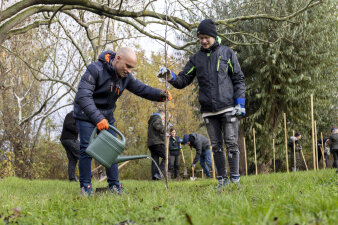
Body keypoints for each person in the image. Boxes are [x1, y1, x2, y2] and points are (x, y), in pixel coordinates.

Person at [158, 19, 245, 188]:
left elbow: (239, 79)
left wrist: (240, 102)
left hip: (228, 107)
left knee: (232, 143)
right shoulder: (196, 59)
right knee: (217, 147)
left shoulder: (227, 53)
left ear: (213, 35)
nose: (203, 41)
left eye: (206, 37)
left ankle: (235, 180)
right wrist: (170, 76)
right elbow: (183, 80)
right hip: (208, 111)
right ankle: (222, 181)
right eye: (200, 38)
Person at [73, 47, 172, 195]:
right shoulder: (95, 69)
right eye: (128, 66)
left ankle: (114, 186)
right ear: (117, 59)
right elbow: (83, 95)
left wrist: (160, 95)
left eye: (132, 68)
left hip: (106, 117)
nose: (129, 71)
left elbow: (142, 89)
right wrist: (97, 118)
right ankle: (86, 187)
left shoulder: (125, 77)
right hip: (86, 114)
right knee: (87, 148)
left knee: (112, 150)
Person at [60, 111, 80, 182]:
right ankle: (84, 177)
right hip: (70, 139)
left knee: (72, 159)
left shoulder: (75, 115)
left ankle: (72, 179)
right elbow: (68, 124)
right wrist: (79, 129)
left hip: (65, 139)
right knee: (82, 155)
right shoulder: (72, 114)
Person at [147, 110, 166, 180]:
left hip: (151, 143)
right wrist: (164, 130)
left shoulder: (152, 119)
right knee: (167, 157)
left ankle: (154, 177)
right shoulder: (157, 118)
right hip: (157, 142)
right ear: (162, 114)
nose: (163, 119)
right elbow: (158, 126)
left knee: (155, 160)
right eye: (164, 117)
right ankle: (159, 174)